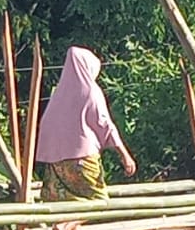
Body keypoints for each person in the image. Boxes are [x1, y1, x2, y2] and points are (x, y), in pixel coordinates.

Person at [34, 46, 136, 202]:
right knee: (99, 203)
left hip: (56, 162)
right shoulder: (91, 91)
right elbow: (104, 123)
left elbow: (46, 124)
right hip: (82, 158)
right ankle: (67, 227)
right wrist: (125, 155)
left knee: (65, 201)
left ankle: (65, 225)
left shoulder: (58, 94)